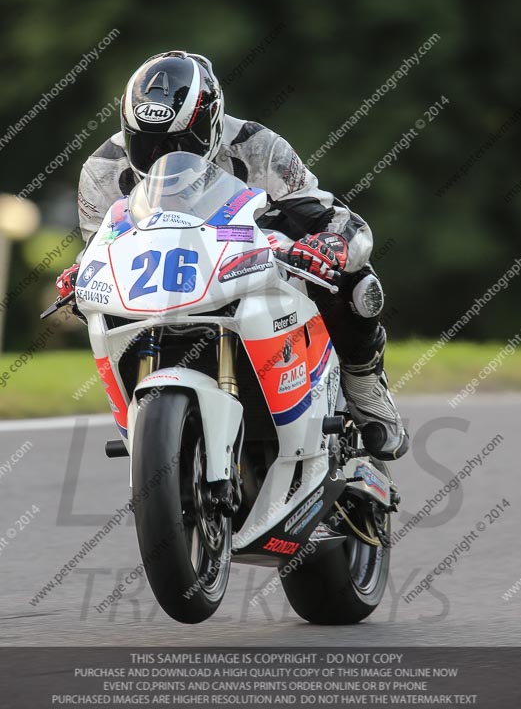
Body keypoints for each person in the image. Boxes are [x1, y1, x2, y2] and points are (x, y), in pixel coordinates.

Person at [57, 50, 408, 460]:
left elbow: (326, 214)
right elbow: (101, 245)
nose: (160, 156)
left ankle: (364, 383)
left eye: (177, 142)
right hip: (159, 282)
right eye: (147, 143)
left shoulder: (258, 147)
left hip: (250, 259)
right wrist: (80, 273)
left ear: (211, 121)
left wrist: (330, 242)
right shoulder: (103, 169)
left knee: (354, 279)